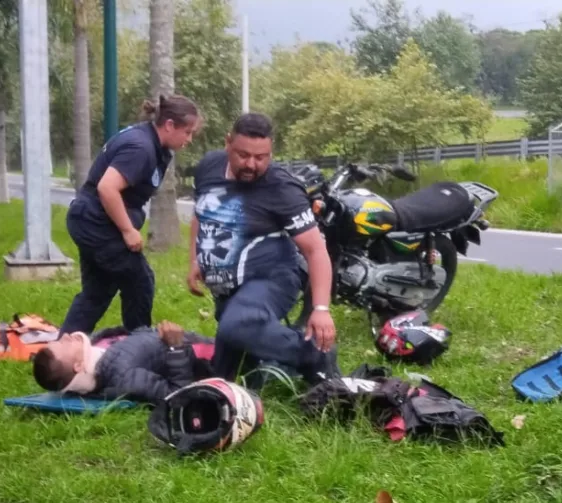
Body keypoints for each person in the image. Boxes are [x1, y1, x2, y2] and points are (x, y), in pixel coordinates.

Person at [186, 112, 338, 382]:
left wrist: (321, 309)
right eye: (243, 155)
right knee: (222, 378)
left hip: (273, 278)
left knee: (237, 325)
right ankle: (269, 363)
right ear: (228, 143)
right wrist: (195, 259)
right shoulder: (209, 167)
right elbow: (201, 214)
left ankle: (314, 352)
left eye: (261, 157)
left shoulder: (281, 188)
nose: (252, 165)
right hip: (228, 290)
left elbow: (315, 250)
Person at [60, 94, 203, 336]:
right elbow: (107, 188)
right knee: (140, 282)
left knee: (97, 292)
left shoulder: (151, 143)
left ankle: (61, 351)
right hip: (96, 222)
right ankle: (138, 346)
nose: (189, 139)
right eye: (187, 132)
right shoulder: (142, 147)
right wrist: (128, 230)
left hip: (90, 219)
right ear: (169, 125)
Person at [32, 321, 214, 405]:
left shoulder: (97, 356)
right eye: (63, 344)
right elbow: (177, 394)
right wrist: (176, 347)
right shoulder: (124, 378)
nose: (65, 336)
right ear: (78, 366)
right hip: (208, 354)